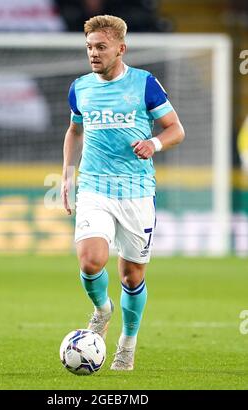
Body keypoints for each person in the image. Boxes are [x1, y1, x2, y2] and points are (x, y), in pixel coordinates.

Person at [61, 15, 185, 371]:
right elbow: (74, 130)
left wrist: (154, 143)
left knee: (132, 276)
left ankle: (127, 344)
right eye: (89, 47)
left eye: (101, 47)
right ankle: (102, 309)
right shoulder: (80, 87)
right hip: (95, 186)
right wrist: (68, 175)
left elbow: (176, 128)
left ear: (120, 48)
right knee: (90, 260)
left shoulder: (144, 84)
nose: (93, 54)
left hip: (136, 191)